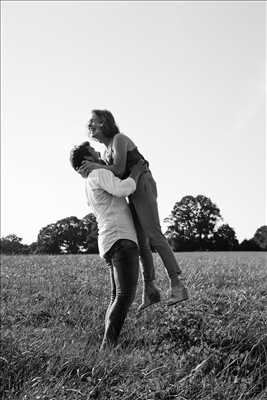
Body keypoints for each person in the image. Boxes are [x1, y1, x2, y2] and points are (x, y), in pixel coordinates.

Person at [79, 109, 188, 310]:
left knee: (154, 234)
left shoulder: (119, 139)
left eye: (93, 121)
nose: (89, 126)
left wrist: (95, 166)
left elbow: (119, 171)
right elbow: (113, 177)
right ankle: (150, 289)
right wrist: (93, 167)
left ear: (104, 122)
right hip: (133, 190)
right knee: (141, 243)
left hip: (143, 184)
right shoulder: (104, 152)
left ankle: (177, 285)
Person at [70, 141, 147, 350]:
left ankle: (108, 343)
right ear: (87, 160)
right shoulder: (98, 175)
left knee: (116, 296)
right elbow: (122, 189)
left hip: (109, 240)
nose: (99, 154)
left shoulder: (89, 182)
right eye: (94, 152)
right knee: (125, 295)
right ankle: (108, 346)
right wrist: (138, 172)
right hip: (120, 238)